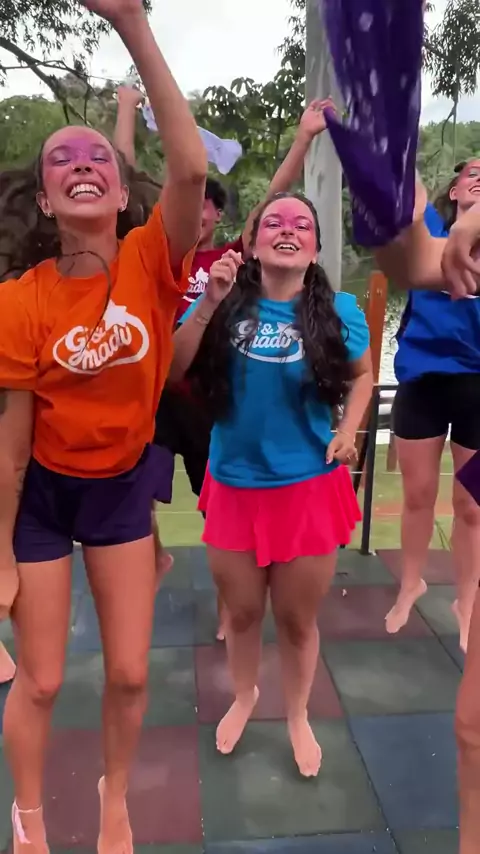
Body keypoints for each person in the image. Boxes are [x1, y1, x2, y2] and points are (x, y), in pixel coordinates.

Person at [0, 1, 207, 852]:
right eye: (61, 159)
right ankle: (30, 818)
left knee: (127, 673)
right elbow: (12, 448)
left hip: (120, 491)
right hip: (44, 498)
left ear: (121, 193)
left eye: (97, 159)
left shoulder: (153, 260)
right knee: (43, 679)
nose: (81, 165)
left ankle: (112, 796)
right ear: (46, 201)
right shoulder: (21, 300)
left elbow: (189, 169)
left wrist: (133, 26)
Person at [114, 90, 338, 638]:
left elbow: (273, 201)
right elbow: (124, 178)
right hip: (159, 397)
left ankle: (228, 602)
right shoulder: (154, 256)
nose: (196, 212)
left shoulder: (230, 258)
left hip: (211, 401)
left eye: (207, 205)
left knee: (218, 509)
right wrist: (125, 109)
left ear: (216, 214)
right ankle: (155, 559)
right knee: (134, 494)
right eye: (188, 203)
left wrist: (304, 137)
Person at [170, 192, 373, 777]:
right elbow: (173, 369)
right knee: (240, 615)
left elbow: (362, 377)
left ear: (314, 247)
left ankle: (298, 714)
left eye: (301, 224)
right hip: (234, 486)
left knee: (295, 620)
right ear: (254, 243)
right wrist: (208, 302)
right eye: (273, 222)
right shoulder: (224, 301)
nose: (287, 230)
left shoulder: (338, 310)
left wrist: (348, 431)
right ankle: (245, 695)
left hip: (307, 489)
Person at [376, 161, 480, 653]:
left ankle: (466, 601)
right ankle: (410, 584)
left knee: (471, 505)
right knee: (417, 494)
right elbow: (405, 191)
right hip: (424, 376)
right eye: (473, 172)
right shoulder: (433, 229)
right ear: (454, 189)